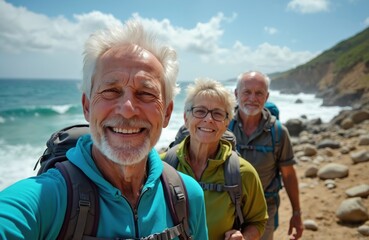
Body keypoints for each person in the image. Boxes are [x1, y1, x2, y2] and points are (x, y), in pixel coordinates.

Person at [0, 20, 208, 239]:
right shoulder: (48, 199)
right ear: (87, 107)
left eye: (146, 94)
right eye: (111, 90)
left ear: (166, 113)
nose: (128, 110)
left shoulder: (188, 196)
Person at [161, 78, 268, 240]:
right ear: (185, 117)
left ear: (227, 123)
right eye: (200, 111)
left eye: (217, 113)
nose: (208, 119)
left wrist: (244, 237)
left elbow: (258, 221)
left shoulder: (243, 172)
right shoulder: (161, 166)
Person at [231, 71, 303, 240]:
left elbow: (289, 174)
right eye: (246, 92)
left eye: (259, 93)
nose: (252, 98)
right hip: (226, 206)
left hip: (264, 208)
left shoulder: (278, 132)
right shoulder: (221, 126)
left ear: (267, 96)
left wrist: (297, 213)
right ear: (236, 94)